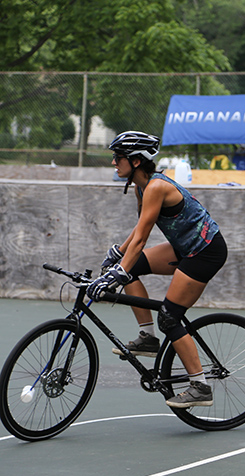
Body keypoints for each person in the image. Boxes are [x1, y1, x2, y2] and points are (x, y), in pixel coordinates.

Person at [88, 131, 228, 408]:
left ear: (137, 161)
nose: (114, 162)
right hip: (182, 247)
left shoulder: (155, 187)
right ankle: (148, 339)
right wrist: (119, 253)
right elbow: (139, 229)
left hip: (205, 251)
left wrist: (118, 273)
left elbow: (142, 239)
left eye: (118, 157)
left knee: (170, 318)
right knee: (127, 266)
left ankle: (200, 386)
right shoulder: (140, 187)